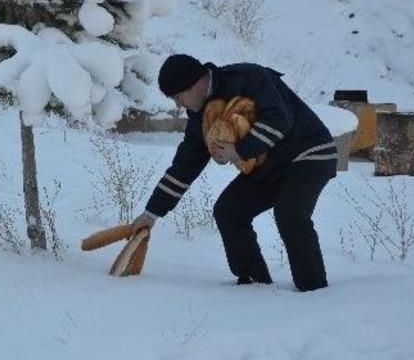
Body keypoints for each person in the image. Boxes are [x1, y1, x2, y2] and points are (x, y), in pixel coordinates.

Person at [132, 54, 337, 292]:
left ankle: (314, 291)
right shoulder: (201, 118)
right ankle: (253, 285)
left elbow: (279, 119)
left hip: (309, 153)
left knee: (290, 214)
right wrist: (151, 214)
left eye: (178, 96)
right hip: (269, 168)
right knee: (229, 211)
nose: (178, 104)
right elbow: (183, 169)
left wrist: (239, 150)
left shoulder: (249, 77)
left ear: (196, 82)